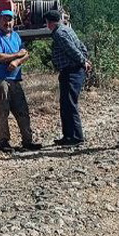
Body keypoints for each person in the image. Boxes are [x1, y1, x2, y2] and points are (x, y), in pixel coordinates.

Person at [0, 9, 41, 151]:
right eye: (4, 19)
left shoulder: (16, 36)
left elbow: (26, 54)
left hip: (15, 79)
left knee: (22, 110)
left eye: (10, 19)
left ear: (14, 21)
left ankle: (27, 141)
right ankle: (3, 142)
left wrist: (17, 62)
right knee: (1, 111)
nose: (7, 22)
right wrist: (17, 55)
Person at [45, 10, 91, 146]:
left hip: (71, 71)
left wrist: (83, 61)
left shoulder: (59, 33)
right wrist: (85, 59)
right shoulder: (67, 29)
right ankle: (68, 136)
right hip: (72, 71)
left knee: (70, 104)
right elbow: (81, 46)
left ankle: (76, 137)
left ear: (49, 23)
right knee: (66, 104)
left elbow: (71, 49)